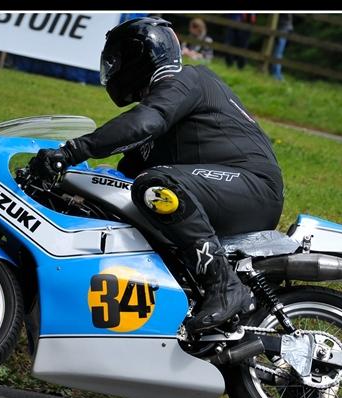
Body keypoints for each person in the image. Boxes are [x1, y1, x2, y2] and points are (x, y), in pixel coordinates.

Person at [29, 18, 284, 335]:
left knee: (156, 185)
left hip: (252, 185)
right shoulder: (163, 112)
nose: (111, 70)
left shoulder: (185, 80)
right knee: (139, 190)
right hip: (224, 187)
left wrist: (71, 152)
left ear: (140, 55)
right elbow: (119, 176)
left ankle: (224, 285)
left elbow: (144, 122)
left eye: (115, 60)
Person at [270, 14, 293, 81]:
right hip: (284, 27)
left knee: (278, 52)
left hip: (283, 27)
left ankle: (277, 74)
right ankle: (276, 74)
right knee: (278, 52)